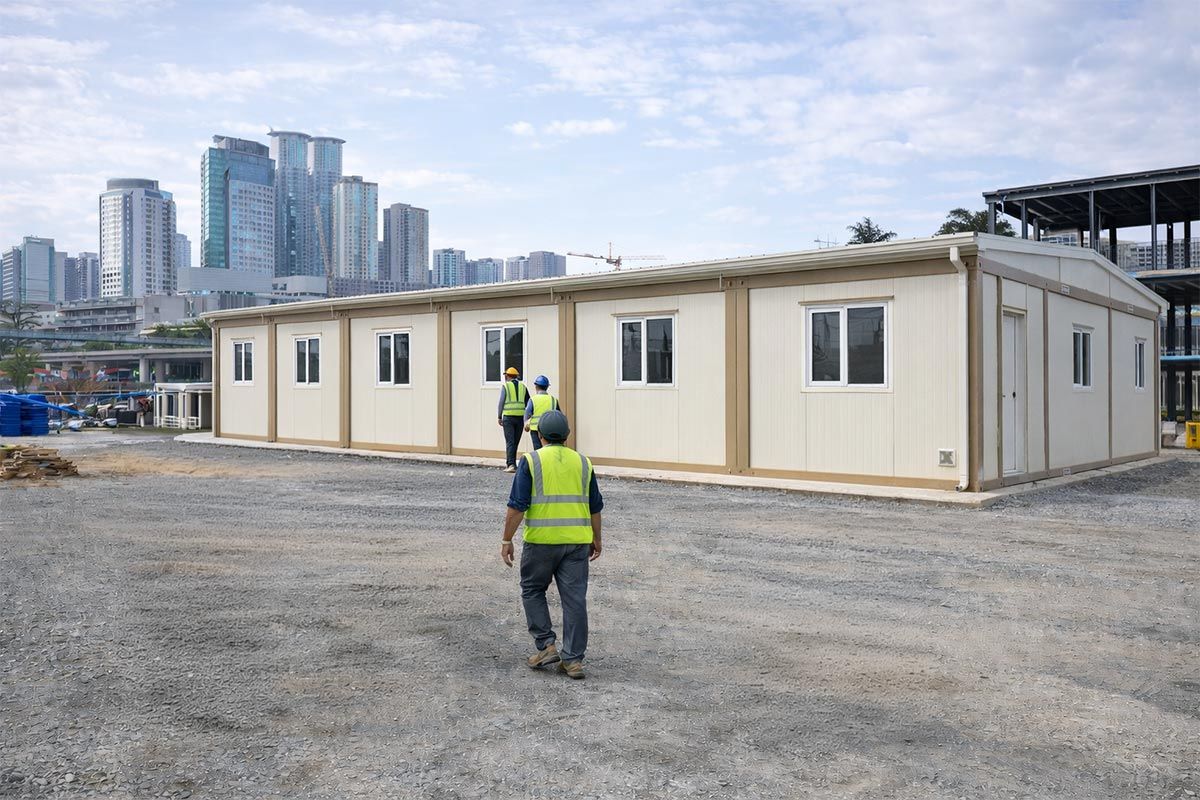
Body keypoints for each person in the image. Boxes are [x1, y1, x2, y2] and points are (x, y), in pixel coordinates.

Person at [500, 410, 602, 680]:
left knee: (532, 589)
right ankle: (573, 661)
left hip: (541, 543)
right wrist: (597, 538)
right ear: (567, 435)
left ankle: (546, 645)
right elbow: (595, 507)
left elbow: (517, 506)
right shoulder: (583, 462)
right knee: (575, 600)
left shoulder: (532, 461)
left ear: (540, 435)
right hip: (577, 544)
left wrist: (506, 539)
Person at [496, 367, 529, 473]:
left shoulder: (505, 386)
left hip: (508, 418)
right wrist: (527, 419)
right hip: (520, 418)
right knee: (515, 442)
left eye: (506, 375)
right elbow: (528, 403)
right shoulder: (523, 387)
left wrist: (499, 416)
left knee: (510, 442)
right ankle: (513, 464)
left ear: (508, 376)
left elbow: (501, 402)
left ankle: (511, 465)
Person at [523, 374, 559, 450]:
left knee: (538, 451)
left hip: (535, 430)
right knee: (549, 450)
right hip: (550, 429)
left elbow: (527, 415)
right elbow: (558, 415)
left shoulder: (533, 399)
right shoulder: (553, 400)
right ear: (547, 387)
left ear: (536, 386)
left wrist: (526, 425)